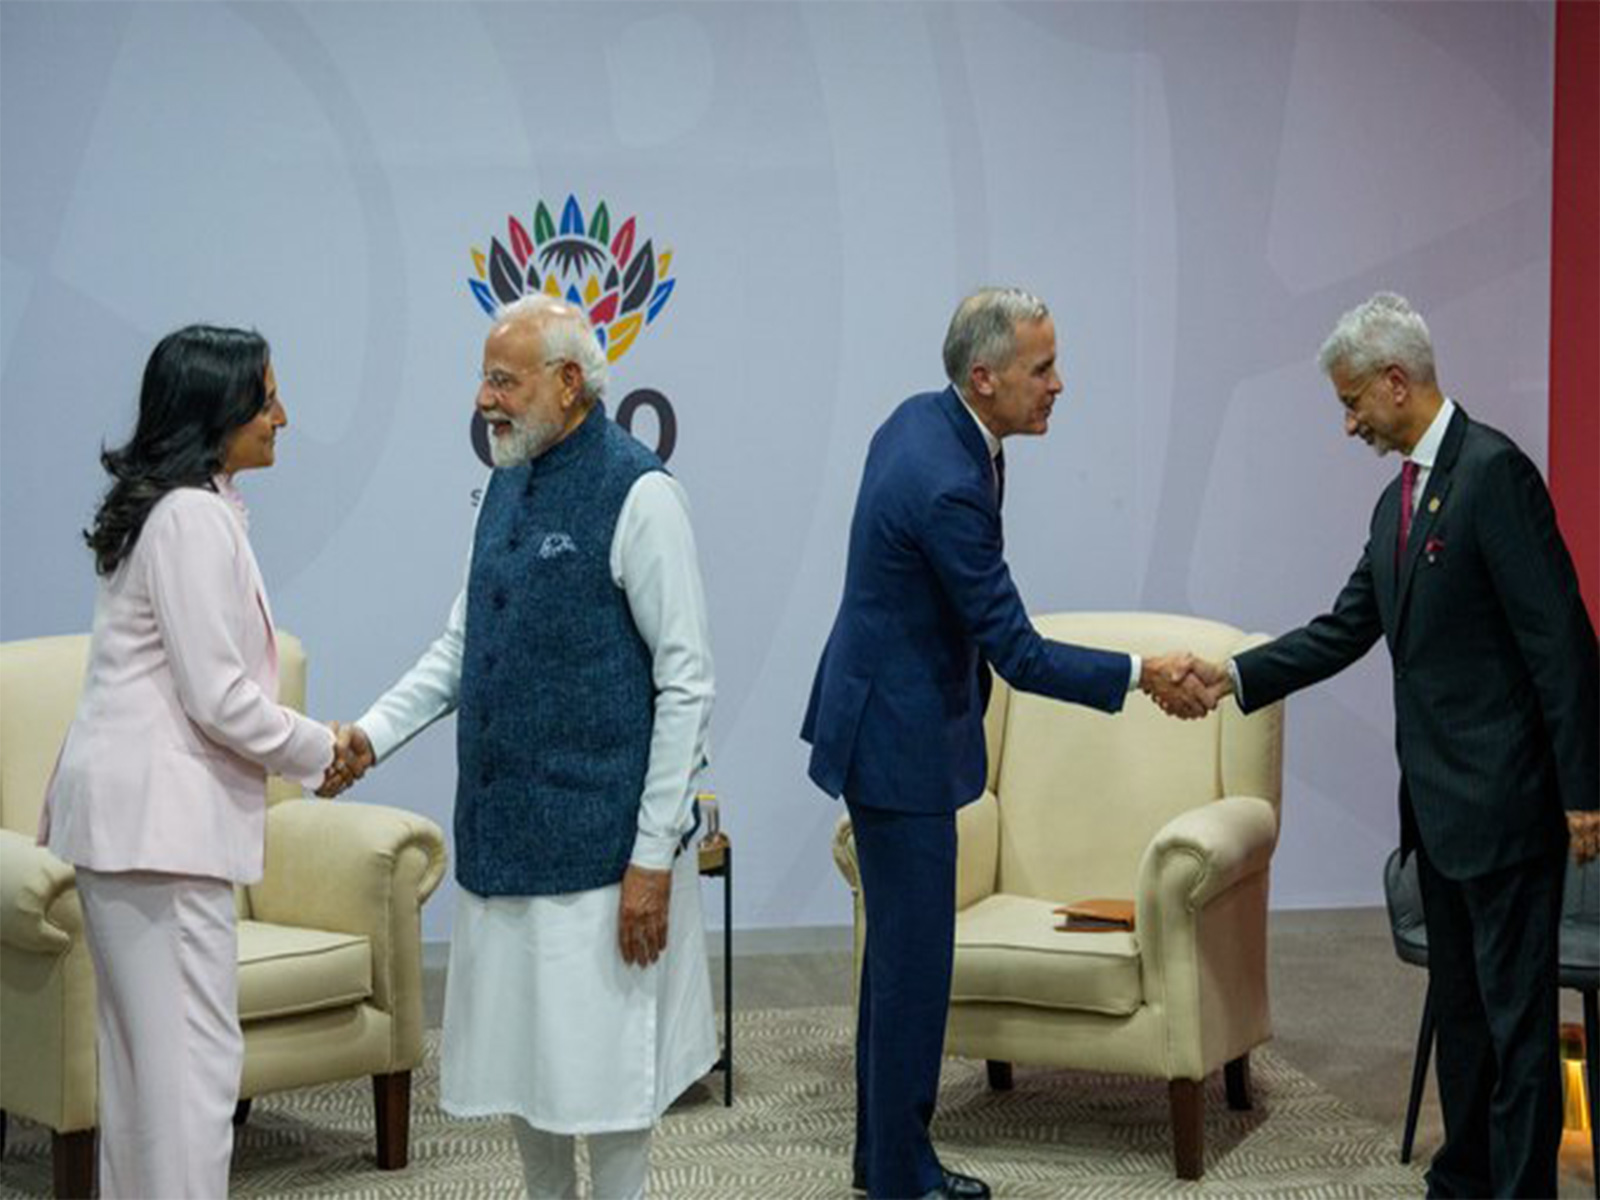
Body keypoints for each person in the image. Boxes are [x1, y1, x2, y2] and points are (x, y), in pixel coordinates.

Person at [800, 287, 1210, 1200]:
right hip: (895, 737)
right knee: (913, 968)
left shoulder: (928, 423)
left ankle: (882, 1159)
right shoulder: (946, 480)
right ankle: (903, 1174)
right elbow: (1017, 651)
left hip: (886, 714)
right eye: (1042, 369)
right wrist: (1143, 673)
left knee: (899, 962)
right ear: (983, 378)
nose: (1060, 385)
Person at [1191, 292, 1599, 1198]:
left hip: (1508, 804)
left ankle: (1520, 1190)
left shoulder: (1495, 475)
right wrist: (1234, 676)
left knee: (1515, 1020)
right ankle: (1463, 1177)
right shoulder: (1397, 503)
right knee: (1462, 1014)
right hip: (1440, 811)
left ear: (1396, 381)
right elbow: (1346, 628)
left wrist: (1584, 790)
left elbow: (1561, 641)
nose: (1347, 425)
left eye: (1351, 403)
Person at [323, 294, 717, 1200]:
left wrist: (653, 857)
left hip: (603, 861)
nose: (483, 399)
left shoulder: (641, 493)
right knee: (527, 1086)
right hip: (505, 847)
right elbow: (463, 647)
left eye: (503, 379)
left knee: (612, 1088)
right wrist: (370, 737)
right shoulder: (505, 482)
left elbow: (687, 683)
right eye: (484, 378)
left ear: (569, 383)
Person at [39, 325, 351, 1198]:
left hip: (129, 834)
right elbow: (217, 698)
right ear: (217, 414)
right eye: (266, 400)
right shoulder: (191, 519)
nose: (282, 417)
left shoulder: (161, 509)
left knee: (145, 1081)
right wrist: (323, 750)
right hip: (163, 838)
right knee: (191, 1081)